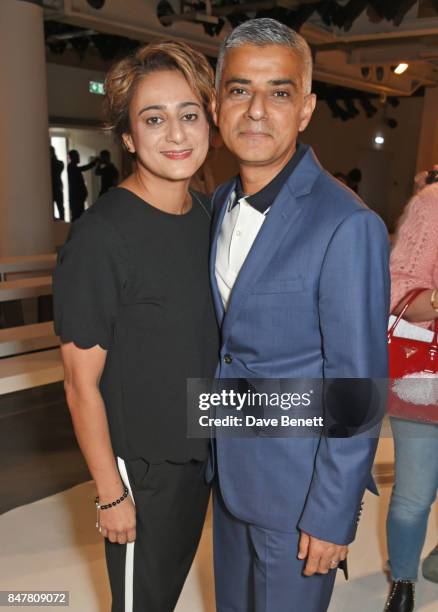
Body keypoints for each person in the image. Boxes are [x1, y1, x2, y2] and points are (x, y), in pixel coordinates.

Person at [209, 18, 390, 612]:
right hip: (229, 476)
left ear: (306, 108)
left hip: (299, 497)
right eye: (240, 89)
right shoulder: (218, 203)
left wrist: (332, 514)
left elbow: (357, 384)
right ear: (217, 104)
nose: (257, 109)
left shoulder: (346, 223)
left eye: (279, 92)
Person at [53, 41, 219, 612]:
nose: (175, 134)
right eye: (154, 119)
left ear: (208, 122)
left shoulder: (206, 214)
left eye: (188, 114)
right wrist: (110, 495)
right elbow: (80, 385)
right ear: (127, 137)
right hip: (141, 474)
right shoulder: (102, 237)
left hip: (202, 456)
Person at [384, 168, 438, 612]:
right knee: (414, 494)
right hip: (427, 376)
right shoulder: (432, 204)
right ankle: (402, 585)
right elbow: (397, 287)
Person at [67, 149, 97, 221]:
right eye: (77, 156)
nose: (78, 158)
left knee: (78, 215)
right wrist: (94, 162)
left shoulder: (72, 167)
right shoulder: (71, 167)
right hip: (76, 197)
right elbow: (84, 168)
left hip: (77, 197)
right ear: (73, 157)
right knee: (77, 216)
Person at [50, 146, 65, 220]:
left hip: (52, 188)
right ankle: (62, 220)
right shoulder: (60, 163)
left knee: (55, 206)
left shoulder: (50, 164)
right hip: (58, 187)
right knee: (60, 207)